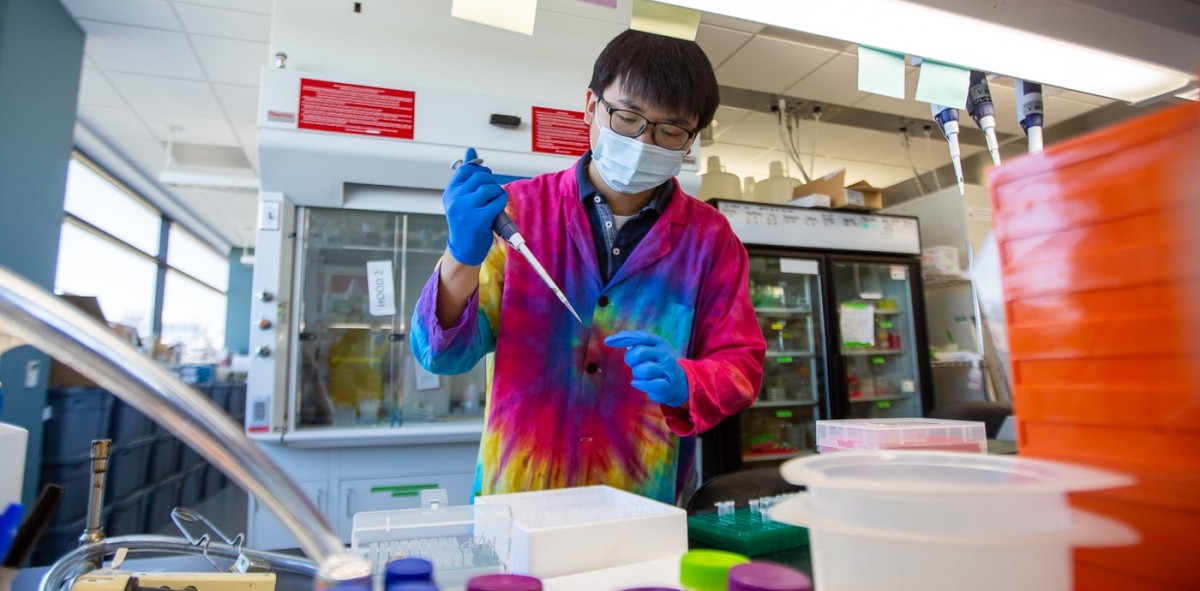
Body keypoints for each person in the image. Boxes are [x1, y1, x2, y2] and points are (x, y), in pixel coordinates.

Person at [410, 29, 765, 505]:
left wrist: (688, 382)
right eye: (627, 117)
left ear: (692, 139)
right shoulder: (517, 212)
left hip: (638, 500)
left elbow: (740, 367)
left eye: (670, 130)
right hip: (519, 495)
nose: (644, 141)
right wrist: (461, 256)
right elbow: (441, 355)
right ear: (590, 106)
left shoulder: (710, 240)